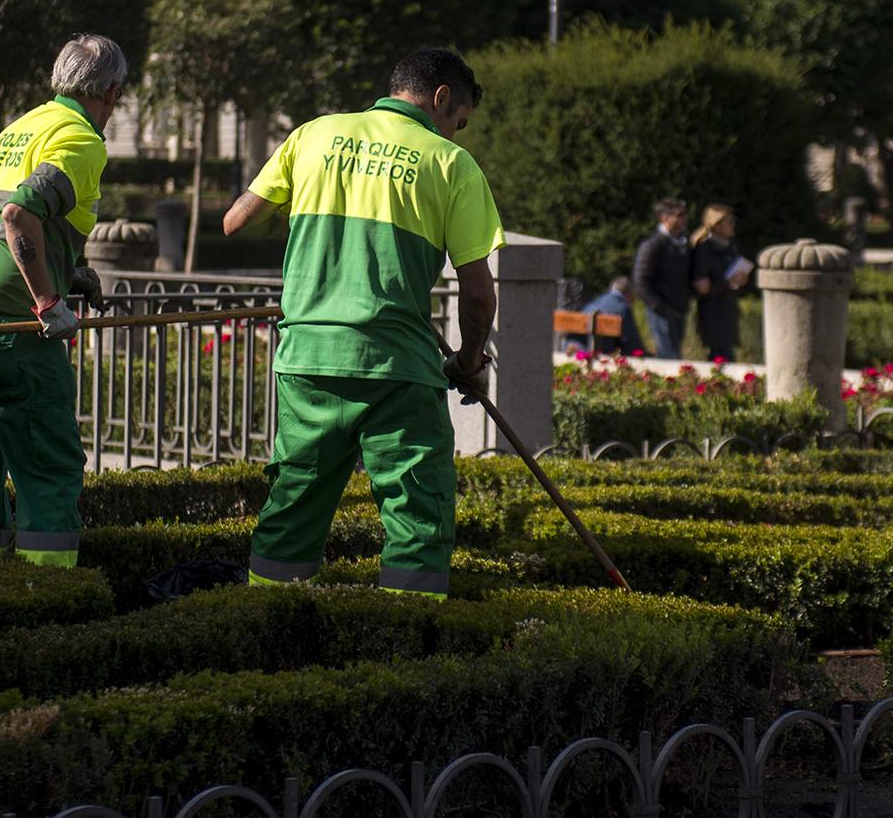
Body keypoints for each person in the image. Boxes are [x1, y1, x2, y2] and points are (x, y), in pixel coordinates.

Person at [223, 47, 504, 599]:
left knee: (295, 501)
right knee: (418, 513)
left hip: (308, 358)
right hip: (399, 367)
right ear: (441, 98)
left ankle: (265, 619)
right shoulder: (451, 165)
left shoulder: (313, 135)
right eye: (458, 122)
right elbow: (476, 295)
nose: (456, 134)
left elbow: (235, 222)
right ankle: (404, 641)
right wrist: (470, 362)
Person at [0, 34, 125, 565]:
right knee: (48, 461)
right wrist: (47, 302)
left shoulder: (21, 126)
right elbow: (18, 215)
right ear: (109, 90)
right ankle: (47, 596)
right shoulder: (82, 139)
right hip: (10, 314)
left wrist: (69, 272)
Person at [631, 197, 692, 359]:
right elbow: (640, 280)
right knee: (669, 357)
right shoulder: (653, 245)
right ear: (664, 217)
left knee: (674, 355)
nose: (684, 218)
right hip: (662, 312)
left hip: (678, 309)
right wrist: (658, 306)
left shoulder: (681, 243)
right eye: (680, 215)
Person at [690, 204, 751, 362]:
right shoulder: (704, 249)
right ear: (716, 225)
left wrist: (740, 281)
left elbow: (733, 281)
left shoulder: (731, 247)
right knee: (720, 358)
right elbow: (702, 288)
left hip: (728, 310)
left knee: (727, 356)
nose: (733, 224)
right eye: (729, 221)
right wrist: (727, 283)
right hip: (712, 314)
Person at [567, 276, 644, 355]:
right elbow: (631, 342)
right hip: (601, 353)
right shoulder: (623, 308)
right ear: (629, 293)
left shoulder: (595, 301)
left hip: (575, 345)